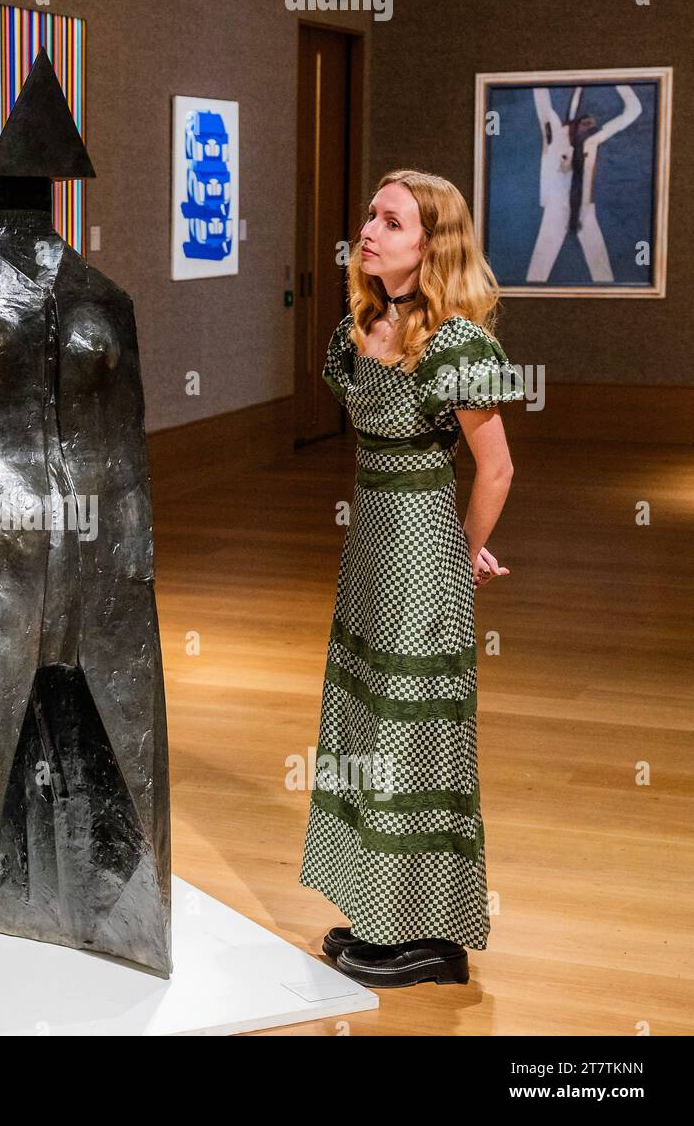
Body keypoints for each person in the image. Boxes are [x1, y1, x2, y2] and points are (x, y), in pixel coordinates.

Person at [299, 168, 526, 988]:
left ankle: (428, 939)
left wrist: (462, 552)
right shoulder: (357, 328)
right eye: (370, 215)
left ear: (430, 245)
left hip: (421, 556)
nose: (370, 229)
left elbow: (495, 469)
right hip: (369, 556)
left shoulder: (458, 345)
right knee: (364, 724)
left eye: (391, 221)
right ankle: (378, 909)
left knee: (410, 734)